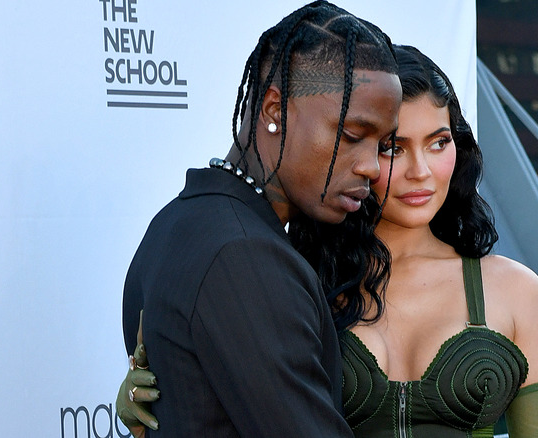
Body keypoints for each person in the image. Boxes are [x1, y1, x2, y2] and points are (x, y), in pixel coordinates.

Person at [119, 45, 538, 437]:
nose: (420, 171)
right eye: (393, 148)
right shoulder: (296, 275)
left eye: (438, 142)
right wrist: (147, 397)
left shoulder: (514, 289)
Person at [116, 1, 402, 436]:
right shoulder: (243, 257)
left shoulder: (178, 220)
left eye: (382, 144)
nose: (372, 167)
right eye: (350, 136)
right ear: (274, 111)